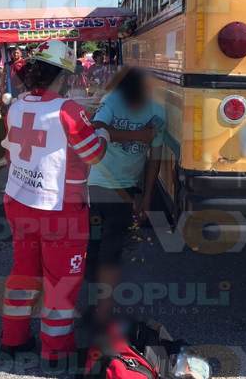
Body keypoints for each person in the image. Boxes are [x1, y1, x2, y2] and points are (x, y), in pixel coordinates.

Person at [0, 40, 109, 362]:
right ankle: (56, 353)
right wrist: (102, 132)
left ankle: (13, 339)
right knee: (61, 283)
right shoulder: (67, 110)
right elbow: (94, 154)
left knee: (23, 274)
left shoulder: (16, 106)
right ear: (64, 75)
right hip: (60, 211)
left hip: (19, 202)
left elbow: (11, 156)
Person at [85, 67, 164, 324]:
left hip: (127, 186)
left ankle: (97, 305)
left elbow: (155, 159)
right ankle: (96, 307)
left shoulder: (157, 111)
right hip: (99, 183)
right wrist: (138, 135)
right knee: (100, 246)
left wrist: (147, 197)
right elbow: (97, 127)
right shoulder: (112, 101)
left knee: (108, 246)